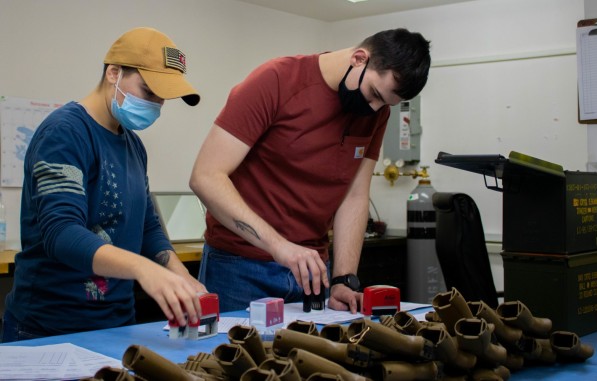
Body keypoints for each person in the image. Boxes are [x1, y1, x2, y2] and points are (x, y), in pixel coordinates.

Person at [190, 28, 431, 313]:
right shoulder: (276, 80)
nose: (374, 108)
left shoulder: (376, 113)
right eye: (374, 94)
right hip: (240, 267)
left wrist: (344, 278)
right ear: (358, 58)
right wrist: (280, 246)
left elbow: (354, 196)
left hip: (314, 273)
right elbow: (206, 177)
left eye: (385, 103)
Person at [2, 27, 206, 342]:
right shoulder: (64, 134)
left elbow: (147, 227)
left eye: (163, 99)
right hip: (51, 327)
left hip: (118, 322)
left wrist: (178, 274)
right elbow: (62, 233)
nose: (156, 106)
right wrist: (144, 269)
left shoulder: (133, 145)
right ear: (113, 73)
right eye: (148, 92)